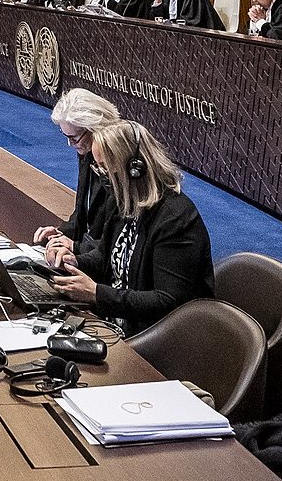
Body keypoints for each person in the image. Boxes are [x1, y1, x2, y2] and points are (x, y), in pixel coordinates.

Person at [46, 120, 214, 334]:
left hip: (159, 338)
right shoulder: (121, 203)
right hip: (117, 323)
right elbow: (104, 258)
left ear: (136, 169)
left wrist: (97, 294)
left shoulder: (175, 220)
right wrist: (74, 261)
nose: (101, 176)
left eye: (105, 168)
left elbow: (168, 302)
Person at [33, 88, 121, 249]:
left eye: (74, 138)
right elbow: (83, 213)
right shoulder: (87, 152)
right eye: (66, 136)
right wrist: (61, 233)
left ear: (95, 129)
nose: (70, 144)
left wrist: (76, 247)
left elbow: (117, 241)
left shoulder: (120, 166)